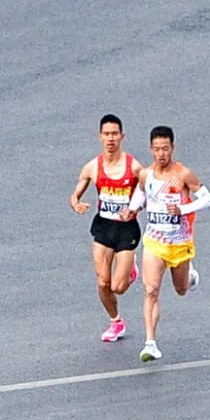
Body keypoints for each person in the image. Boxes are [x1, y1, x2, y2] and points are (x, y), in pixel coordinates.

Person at [124, 126, 210, 362]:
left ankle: (191, 276)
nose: (161, 153)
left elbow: (207, 198)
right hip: (154, 241)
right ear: (151, 149)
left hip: (179, 242)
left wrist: (183, 208)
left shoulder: (183, 174)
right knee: (150, 290)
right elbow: (141, 194)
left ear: (172, 148)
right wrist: (132, 210)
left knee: (181, 289)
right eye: (157, 149)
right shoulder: (145, 174)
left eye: (165, 149)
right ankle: (150, 343)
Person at [70, 113, 141, 343]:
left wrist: (134, 210)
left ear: (122, 137)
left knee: (118, 287)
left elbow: (147, 193)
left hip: (126, 229)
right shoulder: (93, 167)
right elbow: (76, 191)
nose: (110, 139)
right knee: (102, 281)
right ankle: (116, 321)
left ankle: (131, 271)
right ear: (100, 137)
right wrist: (76, 203)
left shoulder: (133, 167)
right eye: (106, 134)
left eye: (115, 134)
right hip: (103, 227)